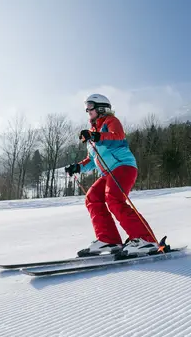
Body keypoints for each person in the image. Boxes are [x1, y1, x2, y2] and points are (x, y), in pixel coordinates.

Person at [64, 94, 158, 257]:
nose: (87, 110)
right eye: (87, 106)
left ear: (101, 108)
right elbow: (93, 160)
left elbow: (116, 137)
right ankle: (109, 239)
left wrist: (96, 136)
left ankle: (145, 240)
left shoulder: (111, 122)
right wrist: (78, 167)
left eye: (90, 106)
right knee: (92, 197)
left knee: (114, 199)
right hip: (108, 173)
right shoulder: (93, 131)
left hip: (123, 167)